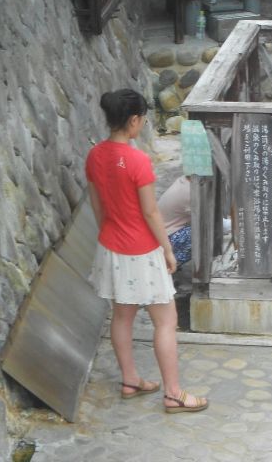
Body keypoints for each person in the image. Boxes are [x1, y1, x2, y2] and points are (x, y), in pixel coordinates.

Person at [86, 89, 208, 414]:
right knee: (166, 321)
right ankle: (173, 393)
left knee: (122, 315)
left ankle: (130, 380)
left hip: (111, 245)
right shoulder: (138, 161)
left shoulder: (95, 155)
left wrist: (108, 234)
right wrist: (168, 251)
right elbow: (151, 213)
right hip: (142, 249)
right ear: (134, 120)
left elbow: (97, 205)